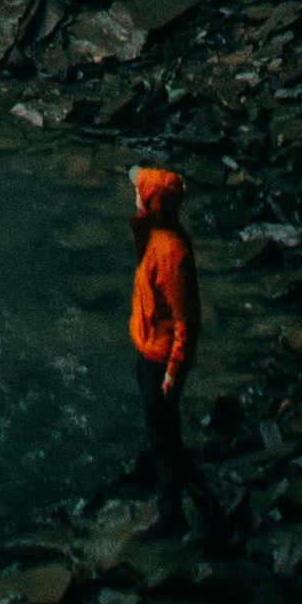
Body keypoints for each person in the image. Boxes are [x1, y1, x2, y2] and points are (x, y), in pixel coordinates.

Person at [127, 160, 227, 541]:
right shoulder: (157, 232)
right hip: (148, 348)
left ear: (151, 201)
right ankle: (171, 513)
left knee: (166, 444)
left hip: (160, 360)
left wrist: (174, 370)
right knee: (161, 437)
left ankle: (208, 510)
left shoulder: (170, 252)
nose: (134, 190)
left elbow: (187, 319)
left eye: (140, 189)